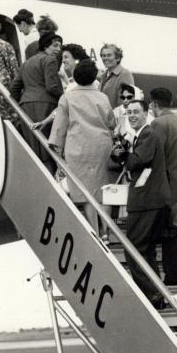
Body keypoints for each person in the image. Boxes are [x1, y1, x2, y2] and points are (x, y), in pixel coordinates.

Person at [47, 60, 116, 230]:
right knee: (102, 187)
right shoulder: (102, 97)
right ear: (94, 78)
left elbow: (59, 127)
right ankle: (106, 231)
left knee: (84, 190)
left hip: (78, 147)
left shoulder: (68, 97)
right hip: (101, 147)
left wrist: (56, 148)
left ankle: (94, 230)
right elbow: (111, 123)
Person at [122, 99, 170, 307]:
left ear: (145, 114)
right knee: (146, 250)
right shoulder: (143, 136)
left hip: (146, 201)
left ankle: (152, 294)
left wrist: (123, 154)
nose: (132, 115)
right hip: (153, 199)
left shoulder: (147, 134)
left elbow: (136, 161)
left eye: (135, 112)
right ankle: (157, 293)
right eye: (128, 112)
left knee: (132, 249)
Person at [148, 87, 177, 286]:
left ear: (153, 104)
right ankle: (176, 277)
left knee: (166, 234)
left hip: (167, 186)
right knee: (172, 232)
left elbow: (153, 156)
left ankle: (172, 278)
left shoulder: (159, 123)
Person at [10, 31, 63, 173]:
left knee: (33, 146)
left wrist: (22, 101)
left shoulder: (27, 63)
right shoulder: (50, 60)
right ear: (46, 45)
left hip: (26, 105)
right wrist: (64, 97)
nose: (58, 49)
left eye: (60, 46)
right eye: (55, 45)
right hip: (46, 104)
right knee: (47, 146)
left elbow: (14, 87)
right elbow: (51, 86)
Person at [30, 44, 94, 128]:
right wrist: (44, 122)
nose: (63, 60)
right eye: (62, 57)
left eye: (66, 57)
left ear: (76, 59)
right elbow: (61, 108)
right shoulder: (71, 85)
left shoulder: (89, 82)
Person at [98, 43, 136, 110]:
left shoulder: (125, 74)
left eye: (109, 55)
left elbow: (125, 104)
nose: (105, 58)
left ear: (118, 58)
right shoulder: (104, 75)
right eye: (103, 55)